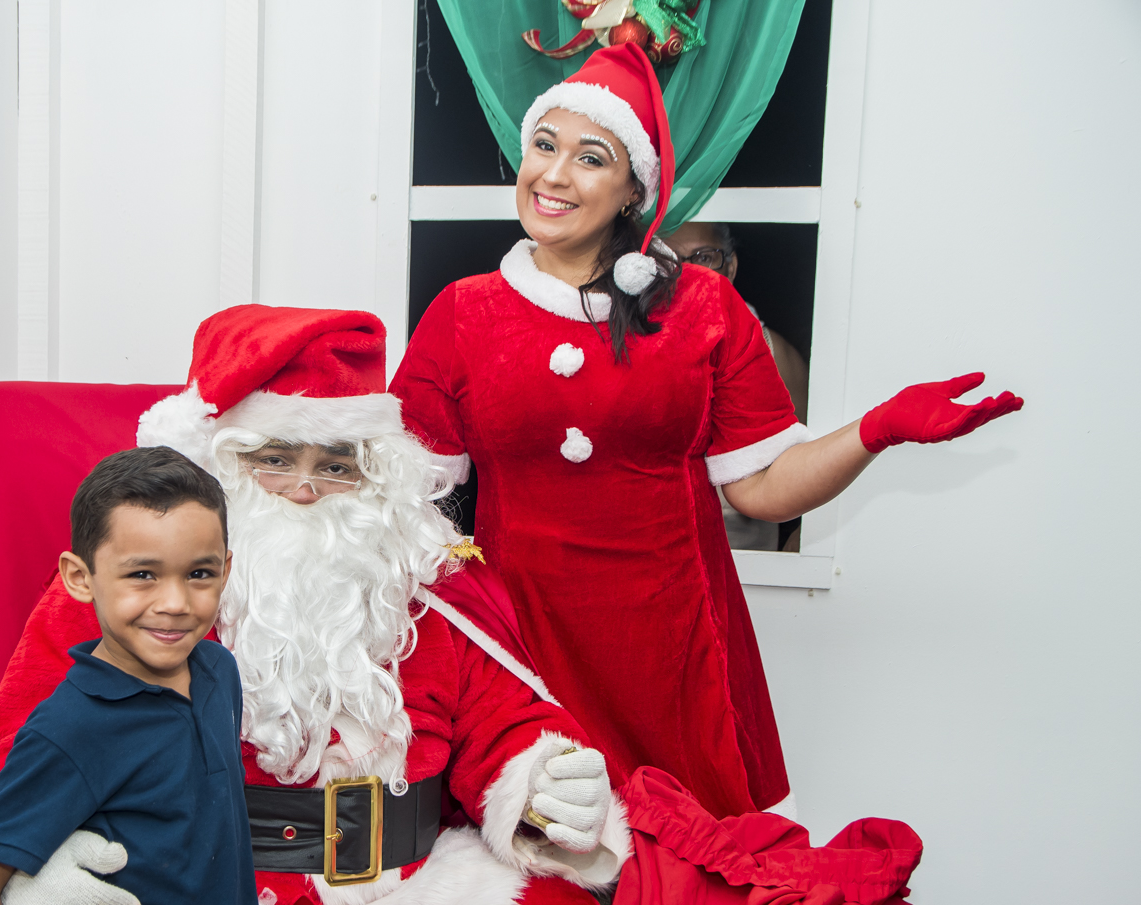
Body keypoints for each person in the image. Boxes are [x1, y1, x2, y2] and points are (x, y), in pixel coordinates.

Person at [0, 306, 634, 905]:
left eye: (336, 464)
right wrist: (33, 875)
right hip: (243, 901)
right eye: (275, 458)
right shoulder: (135, 606)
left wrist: (537, 777)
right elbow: (21, 747)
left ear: (375, 476)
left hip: (412, 886)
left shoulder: (417, 589)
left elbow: (499, 711)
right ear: (222, 468)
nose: (306, 490)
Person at [389, 43, 1022, 821]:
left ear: (633, 191)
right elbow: (400, 492)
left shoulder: (701, 309)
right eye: (543, 146)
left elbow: (760, 486)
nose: (553, 176)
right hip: (524, 646)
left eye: (590, 158)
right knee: (547, 879)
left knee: (699, 892)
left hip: (673, 651)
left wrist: (875, 431)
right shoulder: (463, 312)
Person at [0, 448, 293, 905]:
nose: (175, 602)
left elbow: (212, 825)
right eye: (142, 575)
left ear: (227, 570)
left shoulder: (218, 672)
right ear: (80, 577)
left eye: (200, 574)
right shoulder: (72, 726)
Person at [663, 219, 807, 551]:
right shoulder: (621, 345)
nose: (686, 272)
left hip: (747, 569)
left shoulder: (774, 354)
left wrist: (798, 549)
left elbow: (813, 464)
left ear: (730, 265)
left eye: (704, 256)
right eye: (668, 257)